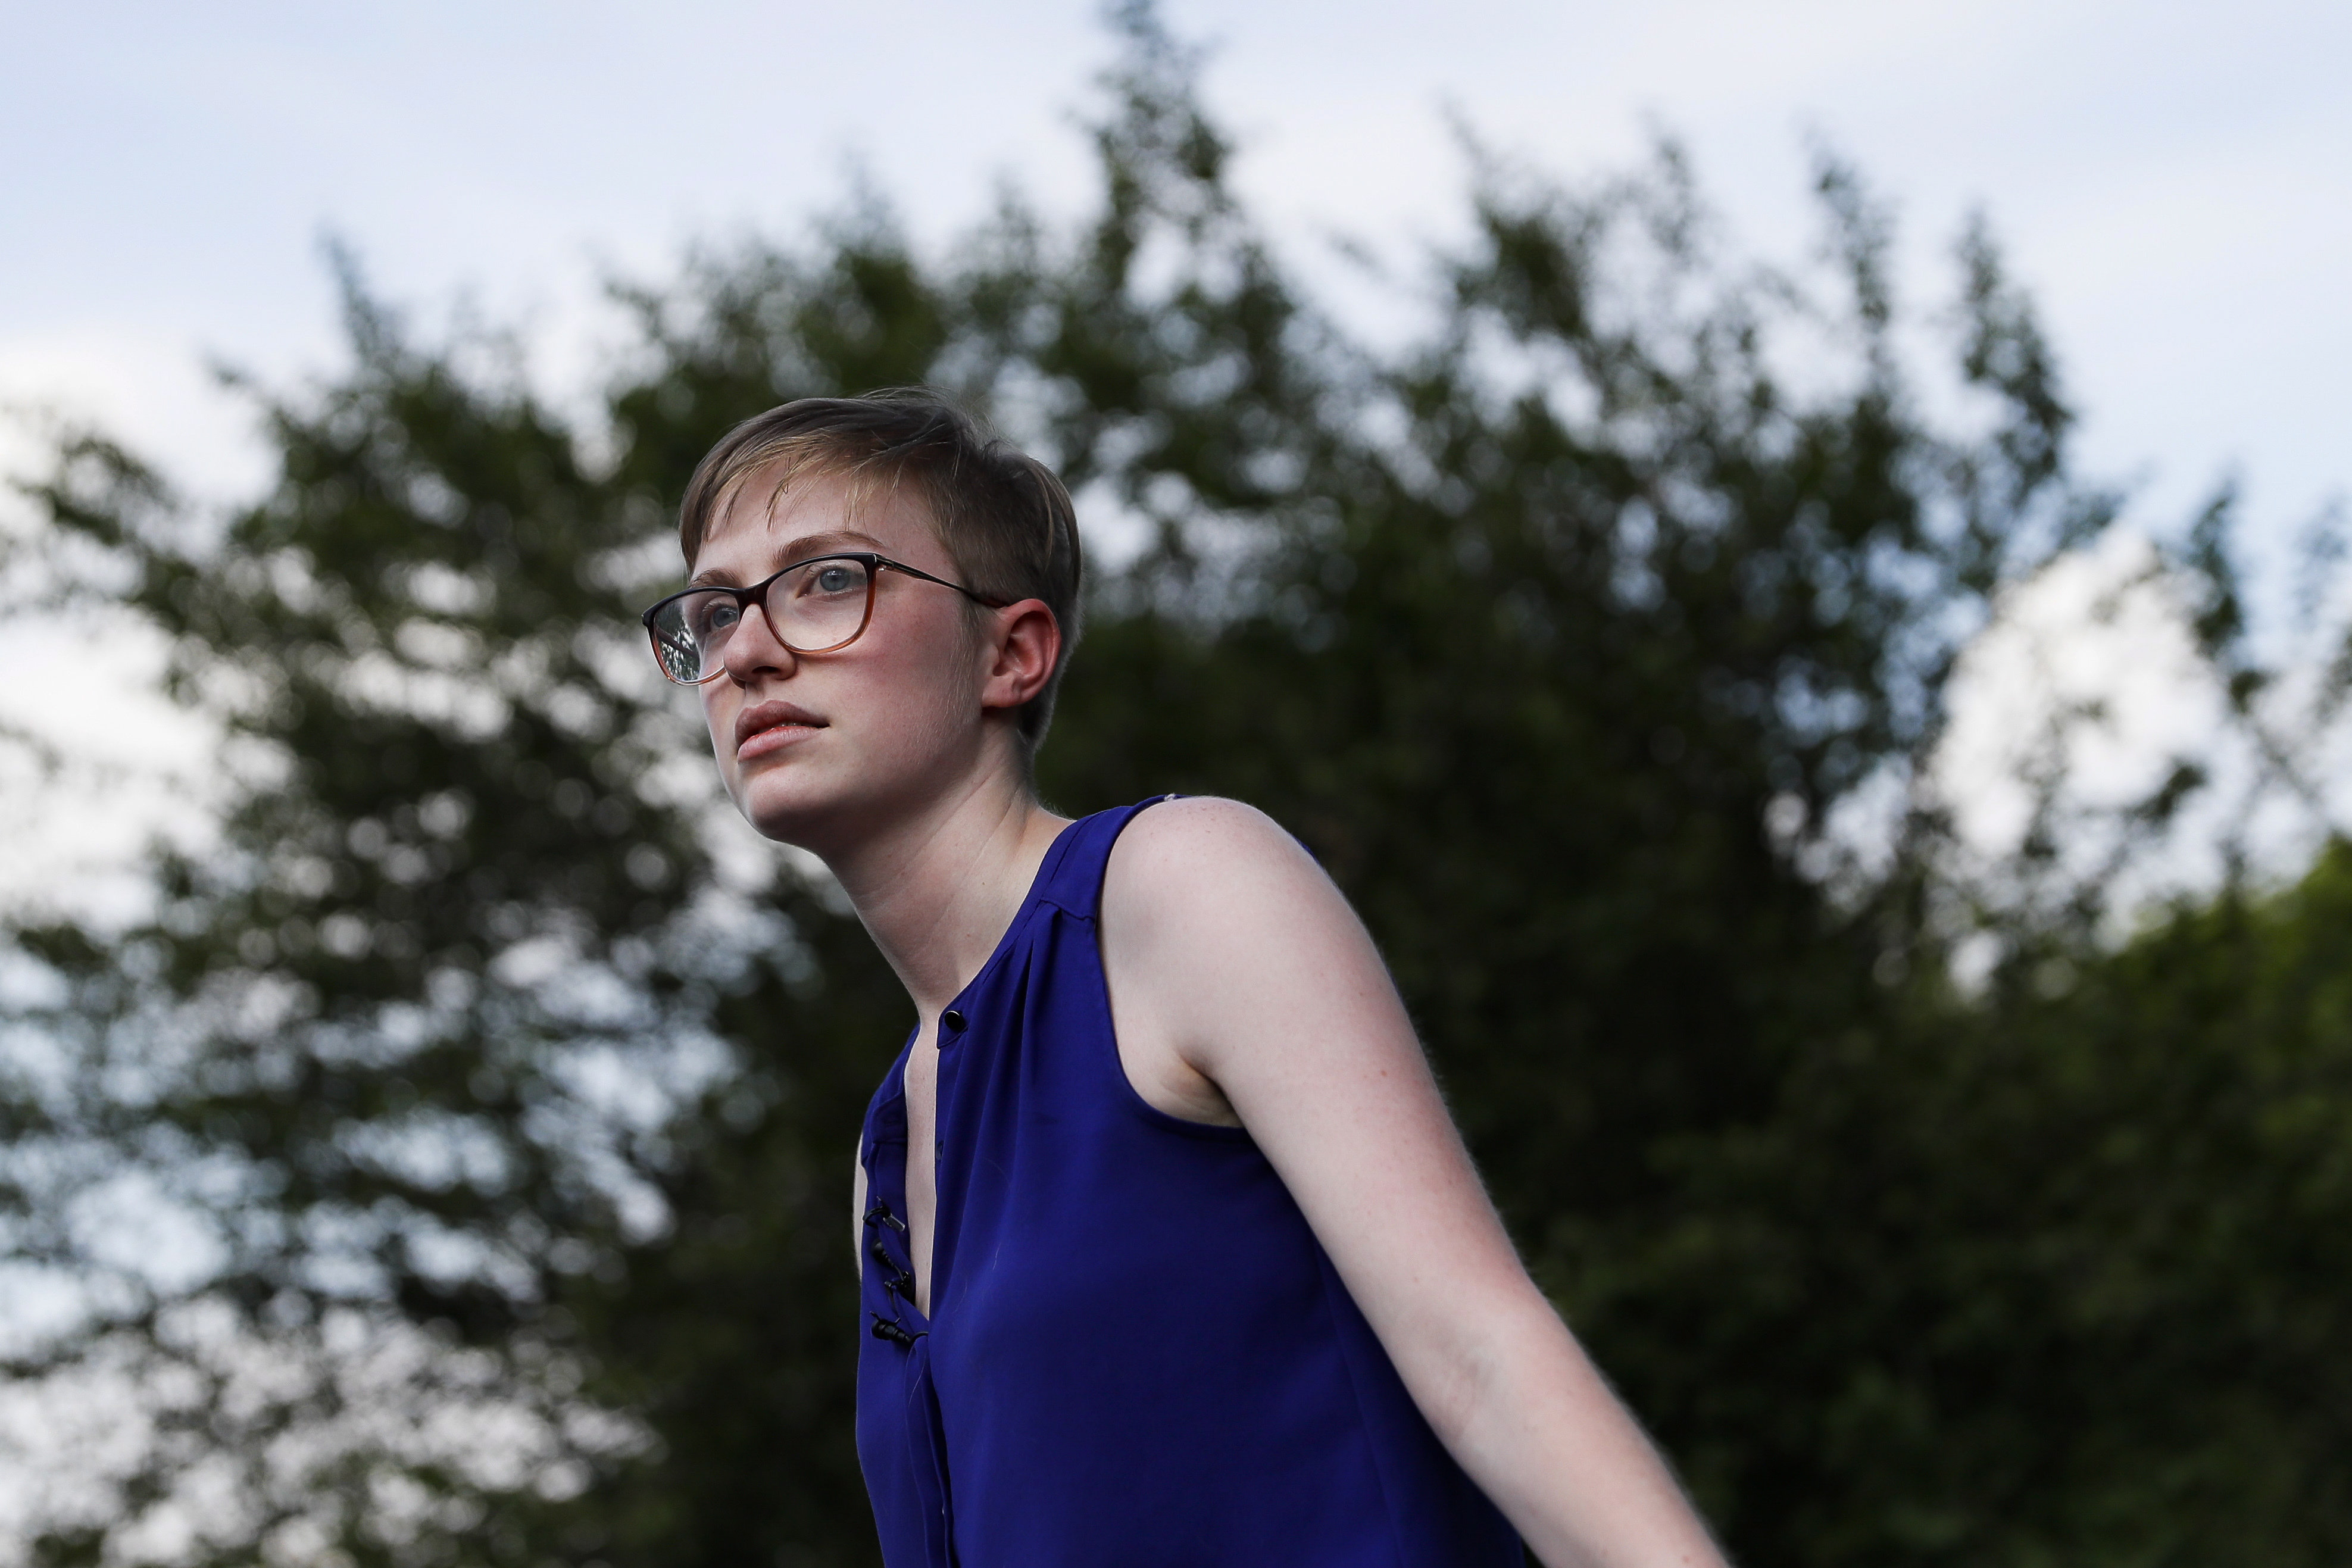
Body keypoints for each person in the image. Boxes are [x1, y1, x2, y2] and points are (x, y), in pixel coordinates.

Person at [641, 389, 1731, 1568]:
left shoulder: (1173, 887)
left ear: (1011, 653)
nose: (746, 651)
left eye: (826, 579)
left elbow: (1481, 1356)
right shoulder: (886, 1158)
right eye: (716, 610)